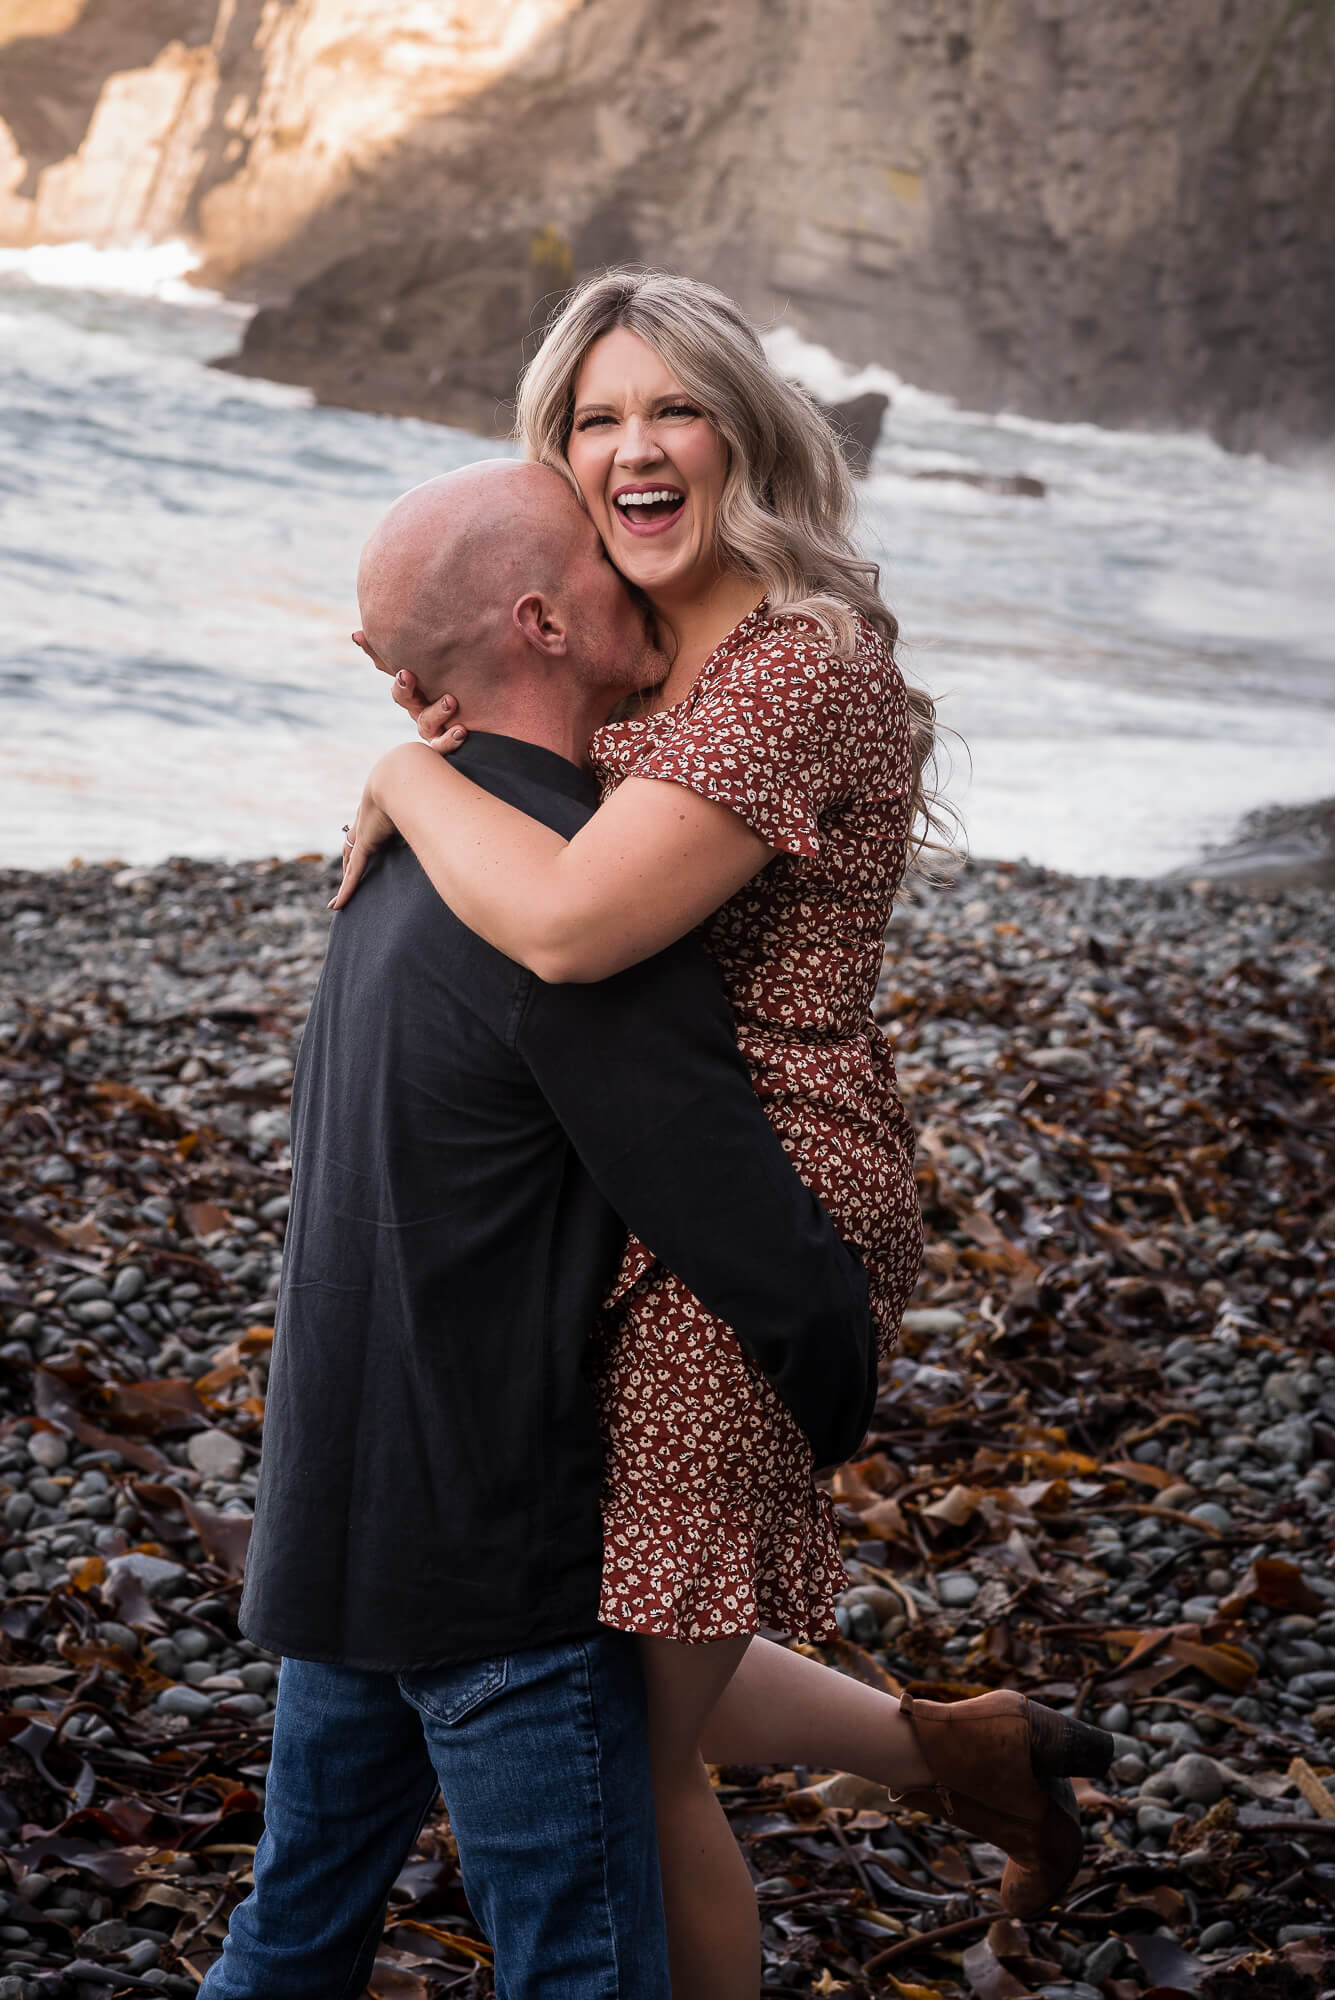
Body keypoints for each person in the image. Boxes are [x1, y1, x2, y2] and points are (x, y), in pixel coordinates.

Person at [340, 271, 1113, 1999]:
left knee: (627, 1741)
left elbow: (566, 928)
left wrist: (401, 782)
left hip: (746, 1199)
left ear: (744, 434)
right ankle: (968, 1754)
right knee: (612, 1629)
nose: (634, 449)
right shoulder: (618, 648)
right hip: (621, 1174)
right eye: (594, 420)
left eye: (672, 409)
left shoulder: (796, 668)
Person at [201, 459, 884, 2000]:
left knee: (289, 1942)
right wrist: (839, 1381)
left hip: (336, 1530)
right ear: (543, 622)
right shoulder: (571, 900)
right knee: (582, 1974)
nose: (637, 574)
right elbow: (731, 1211)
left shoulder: (402, 861)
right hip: (493, 1566)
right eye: (598, 556)